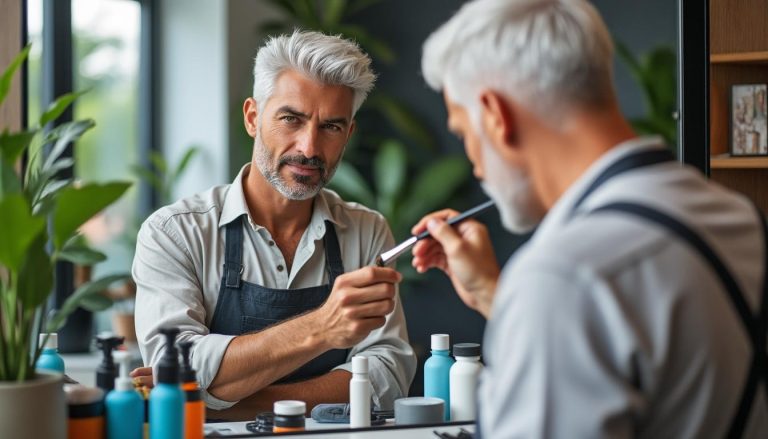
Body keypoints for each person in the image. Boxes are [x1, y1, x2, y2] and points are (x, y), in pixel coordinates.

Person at [413, 0, 768, 437]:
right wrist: (493, 293)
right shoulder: (737, 217)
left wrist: (534, 295)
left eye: (465, 133)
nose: (476, 166)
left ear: (494, 115)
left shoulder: (563, 274)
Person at [132, 30, 416, 420]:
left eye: (331, 127)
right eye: (291, 119)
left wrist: (228, 404)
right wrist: (321, 328)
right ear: (253, 117)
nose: (309, 148)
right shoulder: (174, 234)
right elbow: (176, 370)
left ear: (348, 134)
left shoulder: (367, 232)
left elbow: (386, 374)